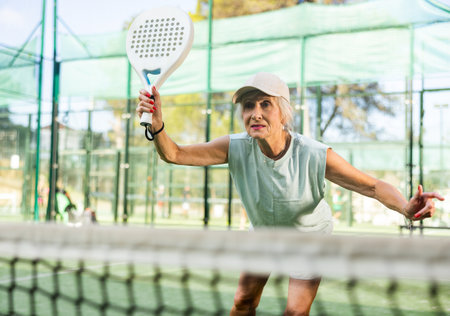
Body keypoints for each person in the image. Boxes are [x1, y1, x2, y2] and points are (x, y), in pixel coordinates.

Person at [136, 72, 444, 316]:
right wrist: (158, 127)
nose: (255, 113)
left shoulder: (313, 153)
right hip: (265, 234)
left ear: (283, 113)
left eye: (265, 104)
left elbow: (373, 186)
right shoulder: (234, 146)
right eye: (248, 106)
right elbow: (174, 154)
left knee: (296, 312)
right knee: (243, 301)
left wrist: (405, 206)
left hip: (309, 239)